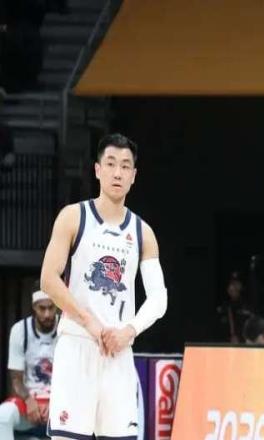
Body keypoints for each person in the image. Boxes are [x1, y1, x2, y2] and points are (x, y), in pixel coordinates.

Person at [40, 133, 168, 439]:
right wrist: (90, 323)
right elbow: (48, 278)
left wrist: (129, 331)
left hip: (118, 352)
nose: (117, 172)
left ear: (134, 176)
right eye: (110, 164)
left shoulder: (143, 233)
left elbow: (158, 298)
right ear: (97, 170)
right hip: (78, 346)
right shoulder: (73, 217)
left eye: (125, 166)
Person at [0, 287, 58, 440]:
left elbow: (75, 376)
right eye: (42, 308)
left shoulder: (66, 328)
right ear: (34, 307)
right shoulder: (20, 330)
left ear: (57, 306)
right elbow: (16, 379)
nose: (47, 314)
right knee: (3, 415)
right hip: (29, 401)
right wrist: (28, 400)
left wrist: (56, 401)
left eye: (51, 308)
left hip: (60, 400)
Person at [216, 271, 252, 343]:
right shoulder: (223, 308)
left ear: (241, 286)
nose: (233, 287)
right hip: (225, 346)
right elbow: (216, 331)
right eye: (231, 284)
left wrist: (240, 338)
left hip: (244, 345)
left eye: (236, 284)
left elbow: (252, 330)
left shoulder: (248, 307)